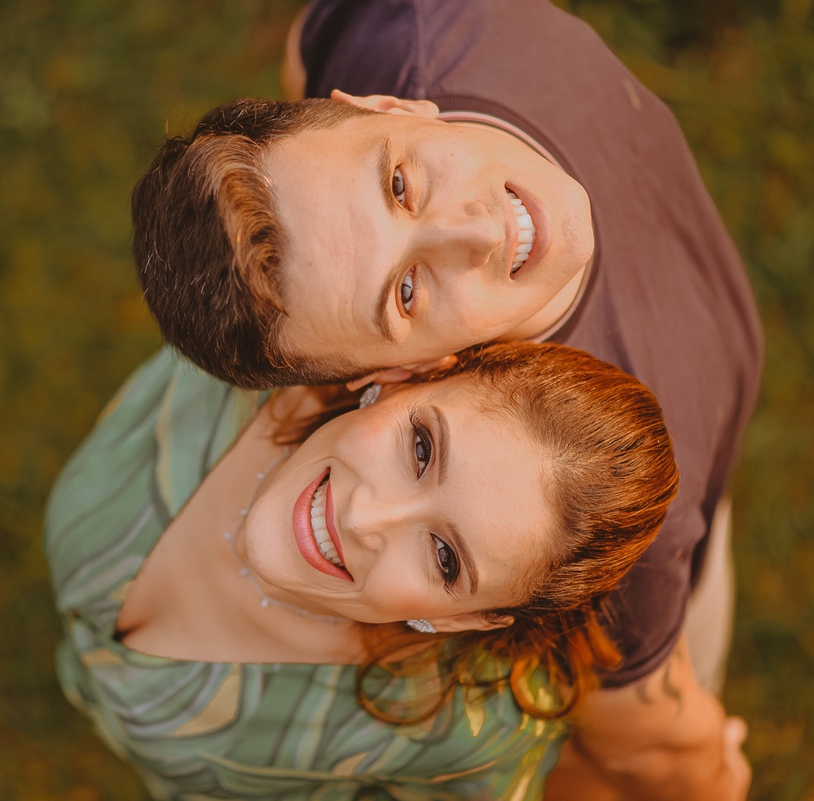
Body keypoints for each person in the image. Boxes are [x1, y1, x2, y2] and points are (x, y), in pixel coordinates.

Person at [128, 3, 762, 797]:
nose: (477, 230)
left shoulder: (407, 21)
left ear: (379, 103)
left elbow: (302, 63)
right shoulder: (575, 497)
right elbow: (652, 749)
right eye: (404, 293)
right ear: (394, 376)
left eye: (398, 182)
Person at [47, 341, 678, 800]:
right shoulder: (251, 349)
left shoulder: (459, 735)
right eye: (421, 448)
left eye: (445, 558)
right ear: (406, 378)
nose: (365, 519)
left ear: (464, 617)